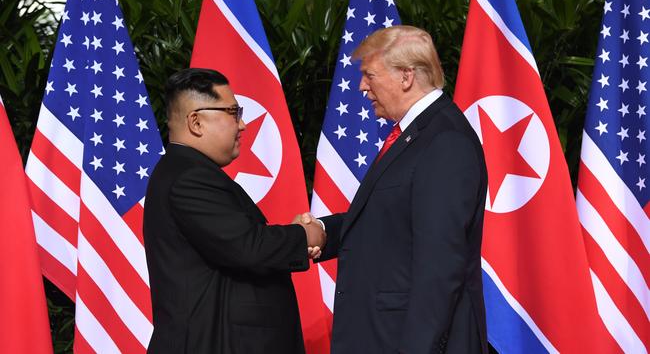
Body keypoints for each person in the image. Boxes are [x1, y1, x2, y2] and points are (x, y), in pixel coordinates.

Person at [306, 25, 489, 353]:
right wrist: (322, 230)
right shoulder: (417, 134)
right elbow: (389, 220)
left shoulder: (444, 141)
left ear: (406, 76)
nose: (362, 87)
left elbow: (439, 266)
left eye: (370, 75)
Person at [143, 68, 325, 354]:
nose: (242, 125)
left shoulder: (188, 171)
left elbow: (239, 242)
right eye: (233, 112)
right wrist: (304, 236)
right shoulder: (189, 178)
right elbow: (248, 247)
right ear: (196, 122)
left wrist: (314, 233)